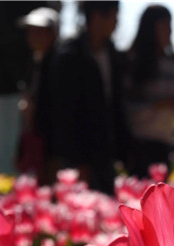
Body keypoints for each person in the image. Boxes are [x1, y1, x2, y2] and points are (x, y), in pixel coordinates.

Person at [42, 1, 129, 194]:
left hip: (106, 154)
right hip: (76, 160)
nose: (116, 24)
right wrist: (76, 161)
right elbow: (61, 112)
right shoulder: (68, 54)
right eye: (114, 17)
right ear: (97, 16)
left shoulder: (113, 55)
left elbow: (116, 107)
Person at [124, 5, 174, 179]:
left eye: (170, 26)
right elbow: (127, 107)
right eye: (164, 26)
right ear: (150, 28)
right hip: (138, 145)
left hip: (165, 141)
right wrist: (161, 104)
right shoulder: (132, 64)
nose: (169, 32)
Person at [16, 7, 59, 180]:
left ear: (52, 34)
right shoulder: (33, 62)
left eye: (40, 32)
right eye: (31, 31)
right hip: (33, 140)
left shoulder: (58, 64)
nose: (33, 36)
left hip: (51, 145)